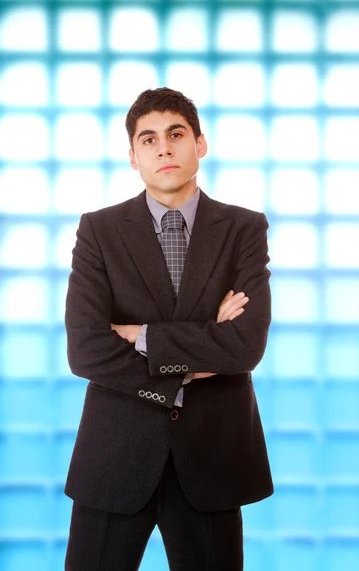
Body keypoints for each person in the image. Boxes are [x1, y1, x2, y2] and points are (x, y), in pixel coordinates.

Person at [64, 87, 274, 571]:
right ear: (133, 157)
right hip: (114, 454)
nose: (163, 148)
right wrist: (197, 354)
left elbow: (243, 347)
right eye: (149, 139)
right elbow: (87, 350)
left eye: (176, 134)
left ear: (200, 144)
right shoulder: (99, 230)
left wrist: (140, 335)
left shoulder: (244, 229)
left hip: (212, 458)